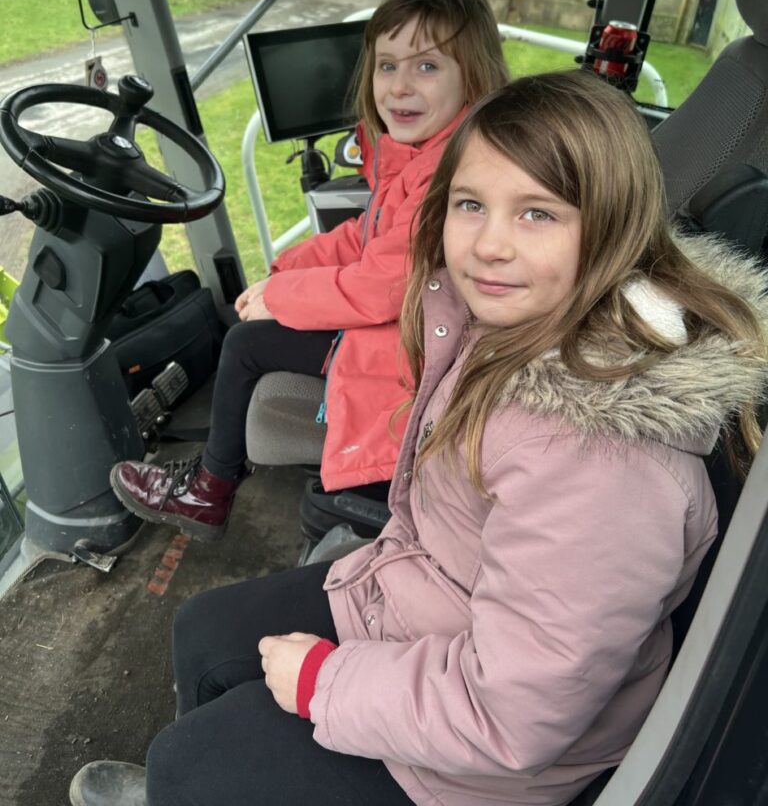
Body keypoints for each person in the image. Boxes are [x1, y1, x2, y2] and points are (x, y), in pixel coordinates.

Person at [71, 71, 768, 806]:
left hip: (485, 759)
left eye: (537, 213)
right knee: (203, 631)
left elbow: (512, 714)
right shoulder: (509, 323)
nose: (489, 245)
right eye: (471, 204)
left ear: (614, 229)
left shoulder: (602, 461)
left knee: (192, 759)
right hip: (431, 592)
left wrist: (323, 682)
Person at [110, 0, 509, 541]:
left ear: (474, 76)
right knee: (252, 323)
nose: (399, 86)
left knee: (245, 343)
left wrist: (280, 298)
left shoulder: (443, 175)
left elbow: (380, 287)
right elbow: (366, 236)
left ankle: (209, 489)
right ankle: (218, 471)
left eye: (426, 66)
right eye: (387, 66)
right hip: (417, 326)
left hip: (421, 349)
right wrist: (288, 269)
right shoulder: (421, 157)